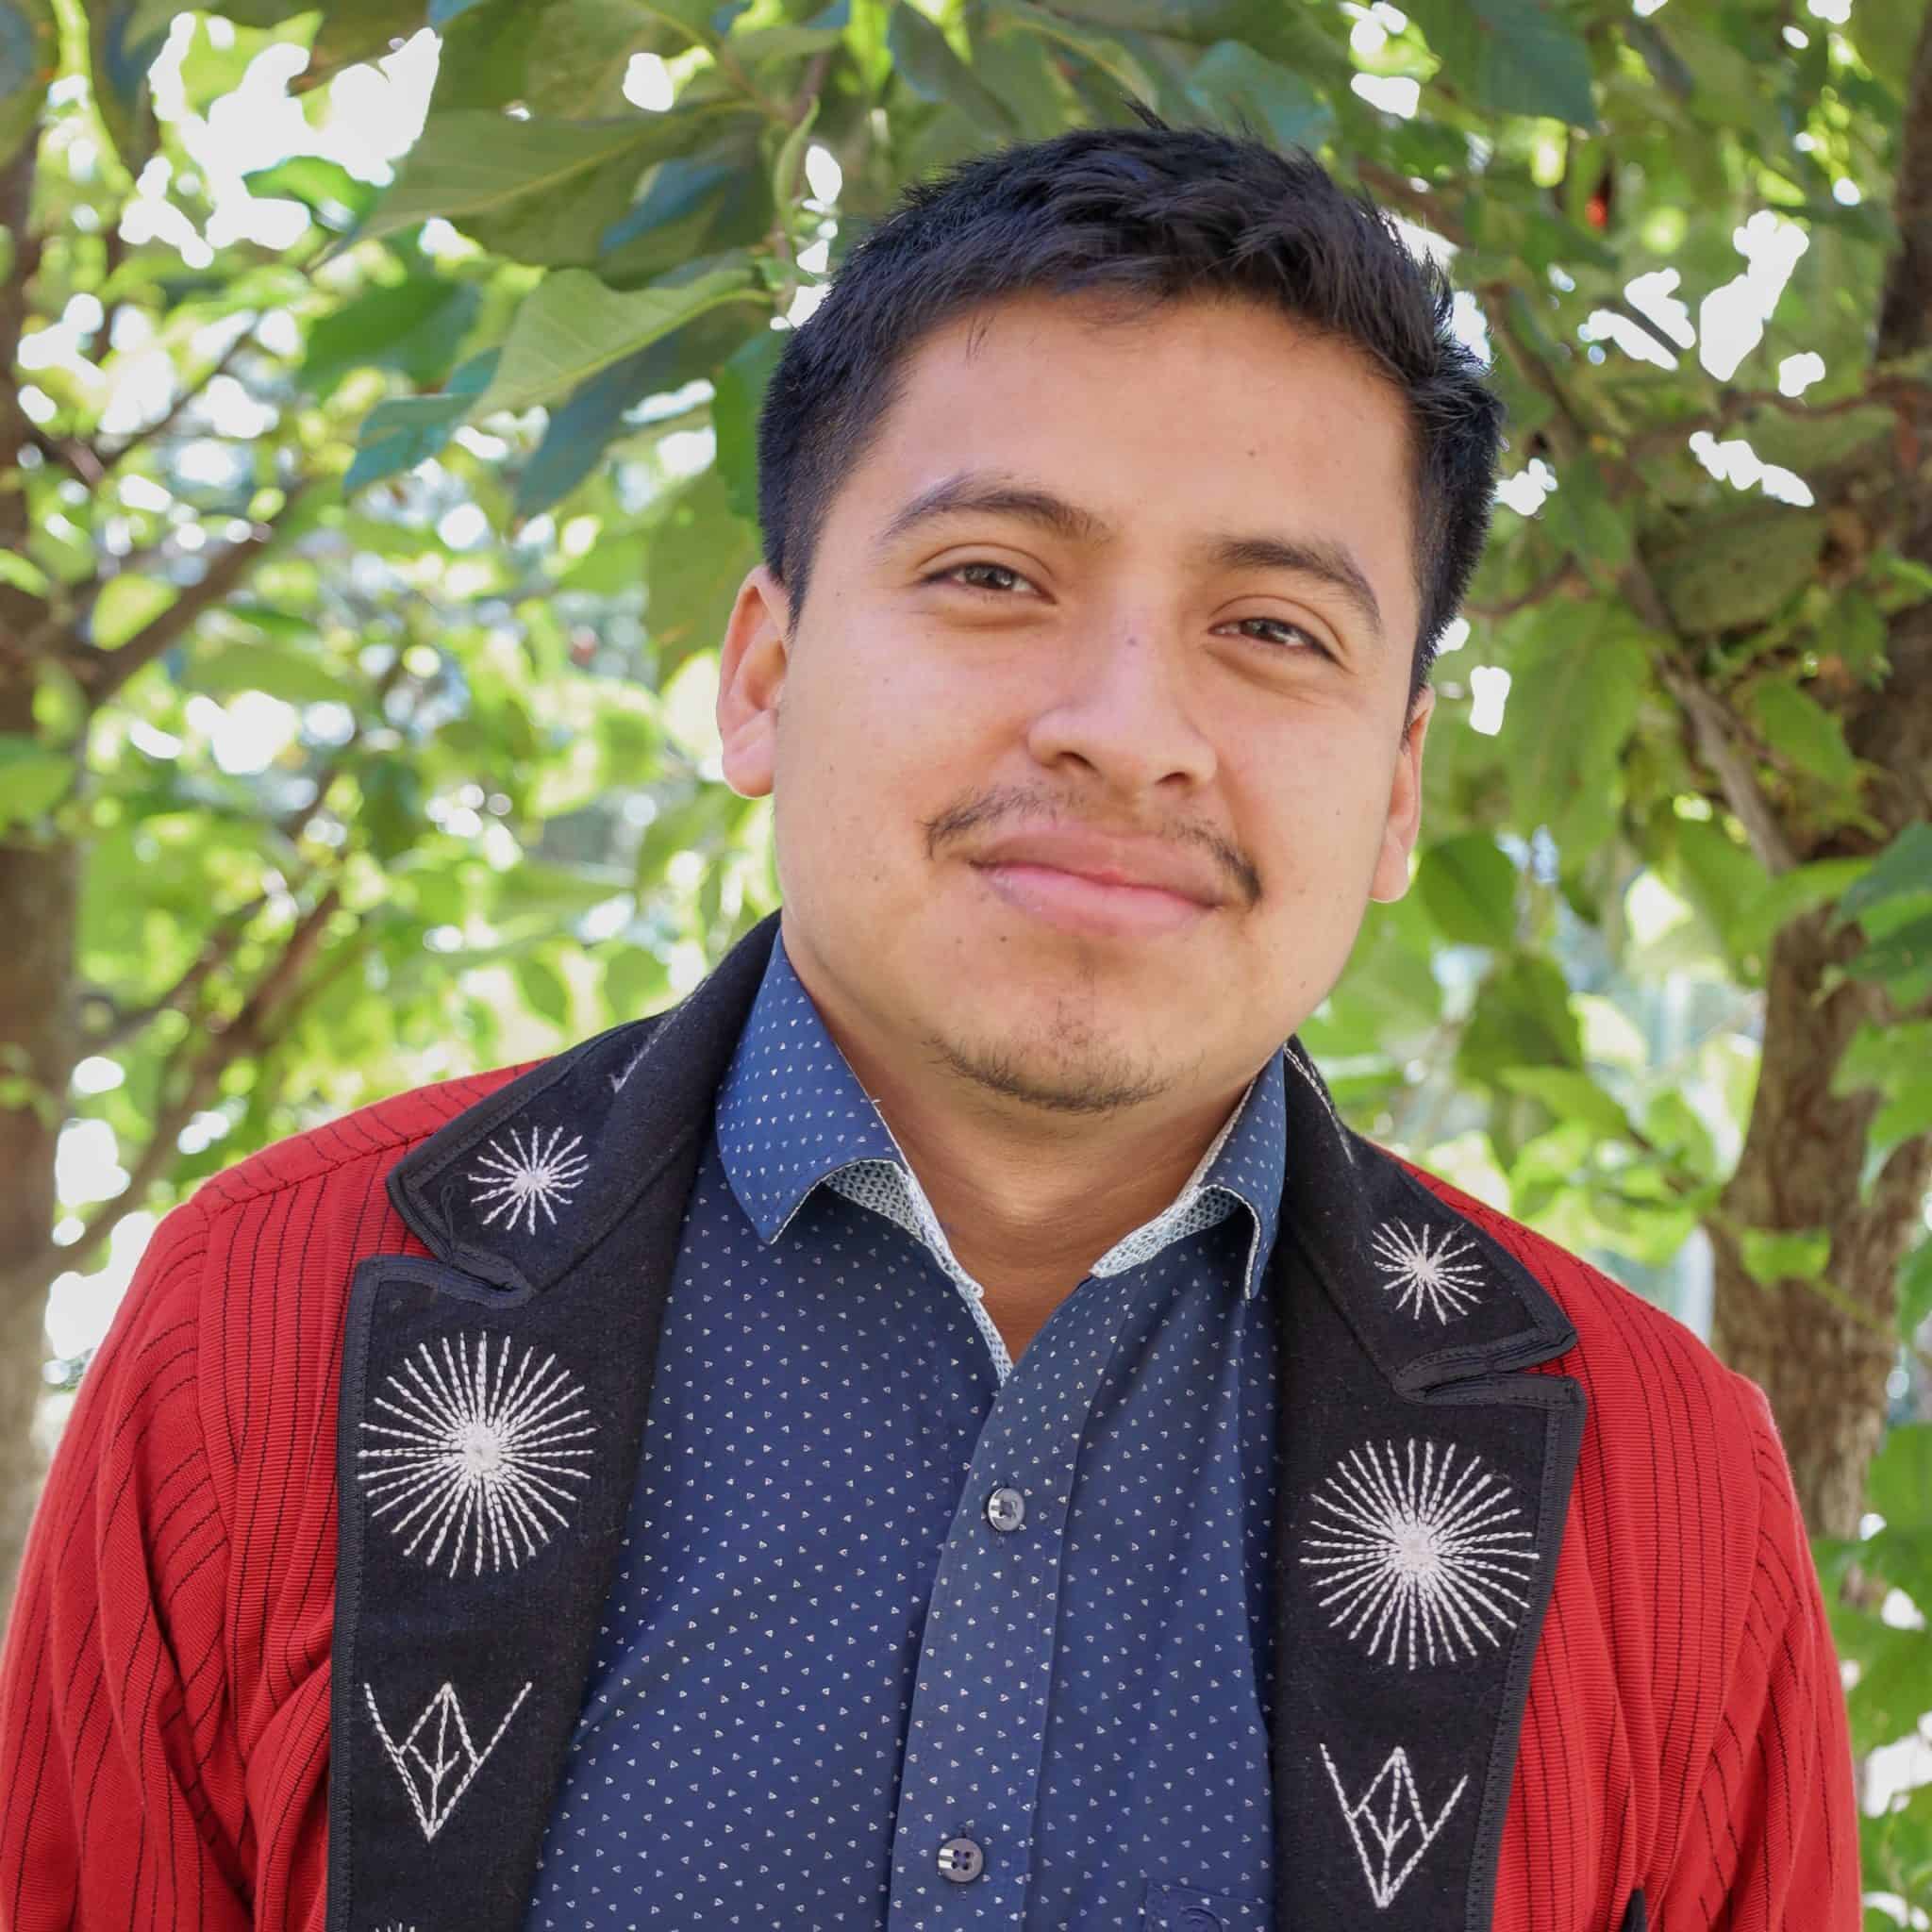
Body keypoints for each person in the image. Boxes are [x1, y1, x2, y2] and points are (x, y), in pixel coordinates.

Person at [0, 112, 1858, 1932]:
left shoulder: (1660, 1492)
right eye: (993, 575)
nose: (1129, 725)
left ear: (1395, 792)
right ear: (763, 675)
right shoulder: (264, 1332)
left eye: (1273, 626)